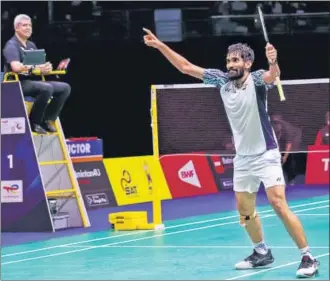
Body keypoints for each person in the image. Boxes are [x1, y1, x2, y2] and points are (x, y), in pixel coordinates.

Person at [143, 28, 319, 278]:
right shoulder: (220, 80)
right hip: (243, 158)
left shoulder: (256, 79)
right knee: (245, 210)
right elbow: (185, 67)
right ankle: (261, 252)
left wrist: (273, 61)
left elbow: (271, 76)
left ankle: (307, 256)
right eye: (228, 60)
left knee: (278, 203)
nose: (230, 64)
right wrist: (160, 45)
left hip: (266, 153)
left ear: (247, 63)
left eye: (236, 60)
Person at [2, 14, 71, 134]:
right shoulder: (11, 45)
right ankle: (34, 122)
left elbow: (40, 67)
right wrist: (35, 68)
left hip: (33, 82)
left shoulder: (31, 45)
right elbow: (16, 67)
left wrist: (48, 68)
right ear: (16, 28)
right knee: (46, 88)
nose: (28, 28)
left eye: (30, 25)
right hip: (16, 83)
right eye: (24, 25)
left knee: (65, 88)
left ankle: (48, 119)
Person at [271, 114, 302, 185]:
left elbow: (288, 145)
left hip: (291, 143)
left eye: (277, 123)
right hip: (279, 145)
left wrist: (285, 157)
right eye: (274, 123)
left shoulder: (287, 130)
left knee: (289, 160)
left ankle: (291, 180)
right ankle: (276, 180)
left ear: (280, 123)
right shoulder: (272, 129)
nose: (276, 125)